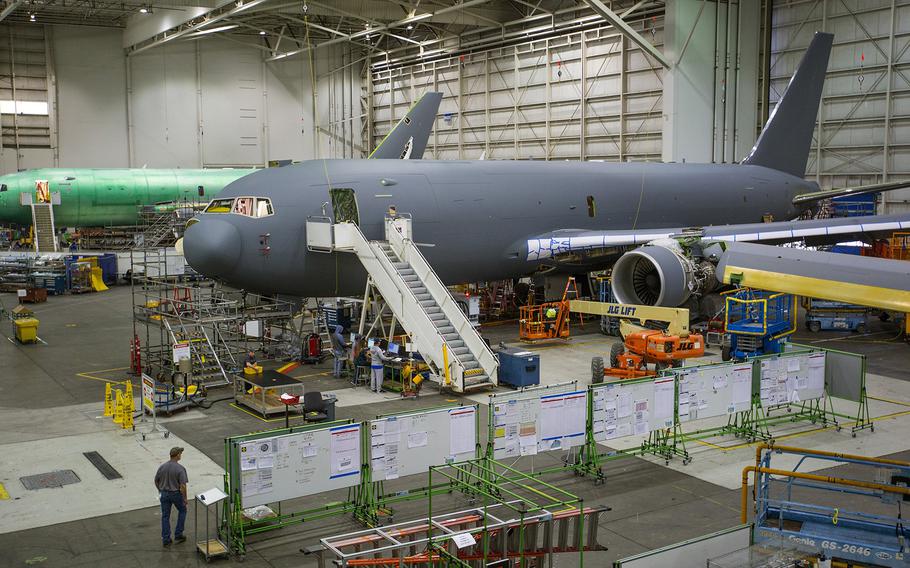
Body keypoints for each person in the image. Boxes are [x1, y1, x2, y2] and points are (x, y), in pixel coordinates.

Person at [155, 446, 188, 547]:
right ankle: (178, 534)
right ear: (177, 455)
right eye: (180, 453)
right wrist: (185, 498)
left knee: (165, 516)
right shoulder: (180, 469)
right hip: (175, 494)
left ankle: (166, 539)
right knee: (183, 510)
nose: (181, 455)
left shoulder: (162, 467)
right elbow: (182, 486)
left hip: (164, 493)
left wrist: (160, 490)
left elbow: (156, 480)